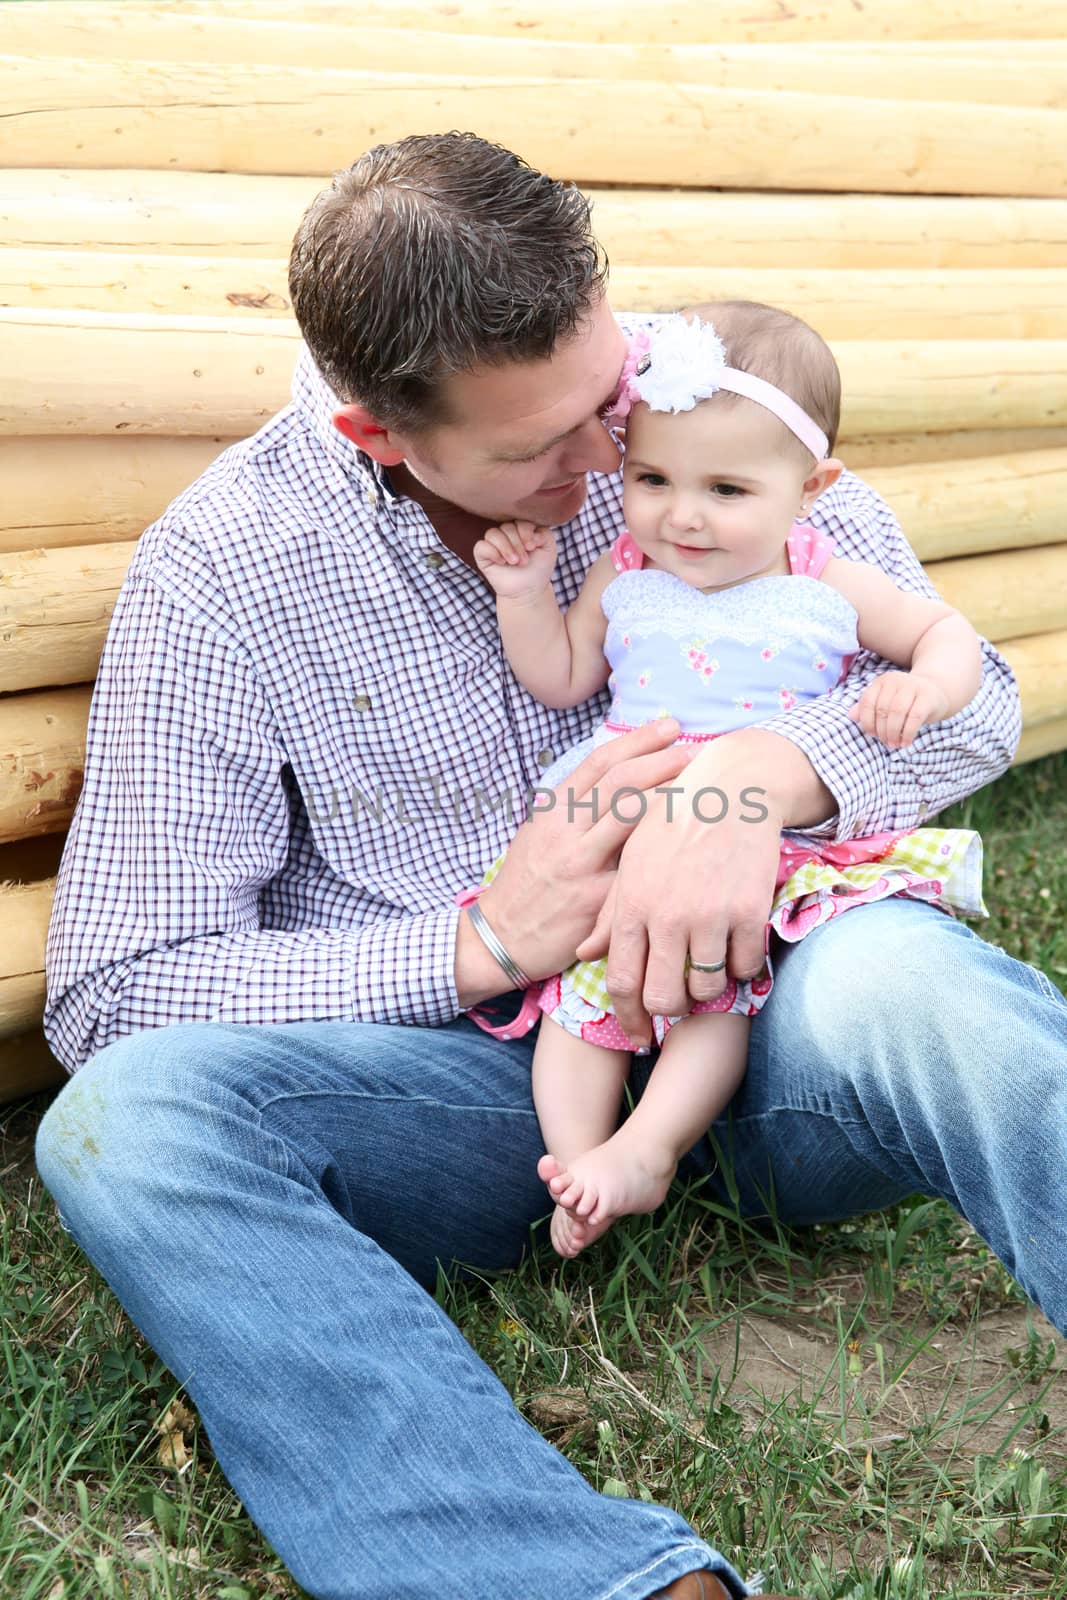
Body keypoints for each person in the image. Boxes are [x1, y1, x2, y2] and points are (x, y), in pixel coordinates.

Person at [32, 133, 1064, 1600]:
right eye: (542, 446)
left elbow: (976, 696)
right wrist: (481, 941)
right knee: (127, 1124)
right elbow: (115, 991)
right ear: (376, 437)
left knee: (921, 985)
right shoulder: (224, 575)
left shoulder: (697, 399)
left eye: (611, 397)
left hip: (783, 1015)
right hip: (500, 1093)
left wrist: (745, 785)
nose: (606, 462)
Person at [469, 305, 986, 1259]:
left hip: (756, 837)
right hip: (624, 827)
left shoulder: (822, 573)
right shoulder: (624, 574)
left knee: (715, 988)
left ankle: (652, 1142)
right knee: (581, 1000)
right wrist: (524, 595)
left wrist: (921, 685)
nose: (683, 514)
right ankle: (579, 1165)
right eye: (652, 478)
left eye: (726, 488)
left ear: (810, 487)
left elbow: (945, 637)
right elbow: (563, 677)